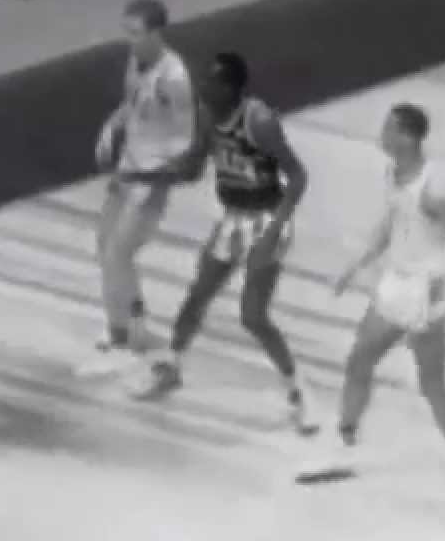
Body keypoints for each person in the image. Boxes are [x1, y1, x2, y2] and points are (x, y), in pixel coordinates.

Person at [296, 103, 445, 501]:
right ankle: (344, 445)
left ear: (407, 137)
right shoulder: (393, 173)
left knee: (432, 383)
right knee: (359, 361)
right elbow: (390, 224)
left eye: (388, 128)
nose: (380, 134)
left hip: (422, 292)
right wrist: (355, 266)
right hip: (394, 285)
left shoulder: (434, 191)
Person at [131, 52, 315, 434]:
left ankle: (299, 391)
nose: (202, 87)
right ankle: (171, 368)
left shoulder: (259, 121)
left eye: (211, 82)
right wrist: (154, 172)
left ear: (230, 87)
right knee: (196, 297)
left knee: (253, 316)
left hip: (267, 219)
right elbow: (194, 168)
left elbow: (297, 177)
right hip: (233, 217)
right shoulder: (208, 116)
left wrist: (274, 231)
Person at [79, 0, 200, 378]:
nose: (129, 40)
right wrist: (111, 126)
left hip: (150, 178)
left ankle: (123, 342)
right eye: (126, 32)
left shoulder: (175, 78)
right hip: (128, 167)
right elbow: (131, 104)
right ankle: (127, 326)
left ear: (156, 33)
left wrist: (155, 176)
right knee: (105, 246)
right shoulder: (135, 62)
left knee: (119, 253)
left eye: (135, 33)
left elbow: (185, 139)